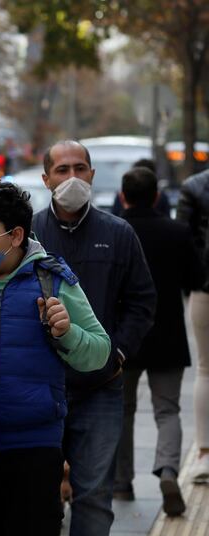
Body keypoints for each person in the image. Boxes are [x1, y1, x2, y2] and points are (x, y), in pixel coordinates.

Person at [0, 179, 110, 535]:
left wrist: (67, 333)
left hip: (35, 450)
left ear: (15, 235)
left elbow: (99, 353)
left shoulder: (54, 282)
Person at [32, 140, 156, 536]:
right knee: (36, 496)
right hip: (39, 388)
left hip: (100, 388)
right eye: (62, 170)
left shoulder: (118, 233)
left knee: (94, 496)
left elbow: (142, 300)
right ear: (46, 178)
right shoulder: (27, 234)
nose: (72, 177)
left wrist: (118, 352)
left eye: (80, 168)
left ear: (92, 174)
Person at [114, 167, 203, 515]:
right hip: (167, 335)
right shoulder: (177, 232)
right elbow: (197, 277)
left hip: (125, 337)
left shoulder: (116, 231)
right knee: (168, 410)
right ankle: (168, 470)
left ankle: (121, 483)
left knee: (122, 411)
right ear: (156, 196)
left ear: (123, 196)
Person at [177, 166, 209, 483]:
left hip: (205, 289)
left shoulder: (194, 186)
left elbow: (183, 241)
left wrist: (193, 281)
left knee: (205, 369)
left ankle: (204, 454)